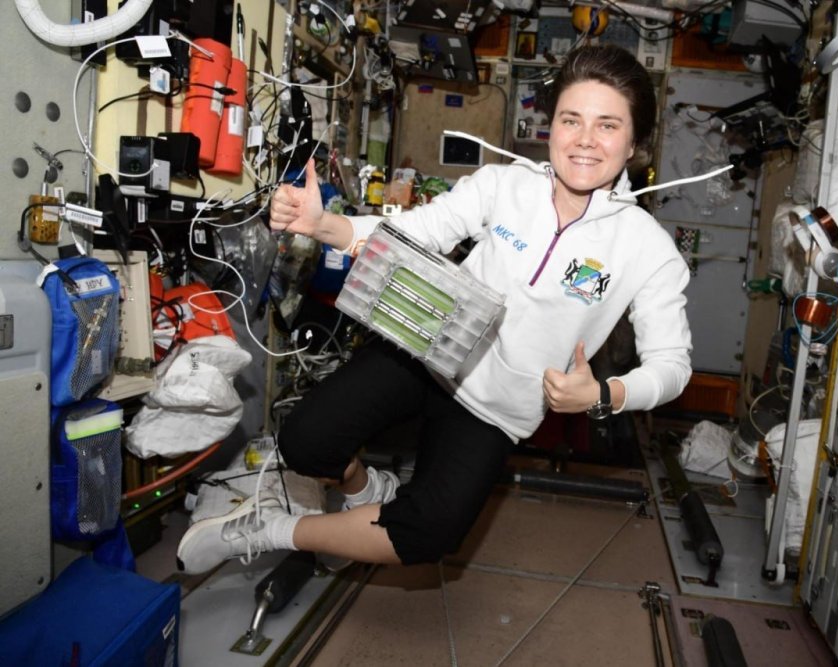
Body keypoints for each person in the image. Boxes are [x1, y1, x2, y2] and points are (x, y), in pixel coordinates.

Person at [176, 44, 693, 574]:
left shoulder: (648, 249)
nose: (584, 139)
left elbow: (672, 367)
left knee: (428, 532)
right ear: (552, 127)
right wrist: (324, 224)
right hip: (427, 353)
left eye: (607, 125)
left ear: (634, 143)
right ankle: (364, 490)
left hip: (496, 410)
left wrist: (603, 394)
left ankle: (265, 530)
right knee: (305, 442)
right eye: (571, 119)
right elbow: (415, 232)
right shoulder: (505, 185)